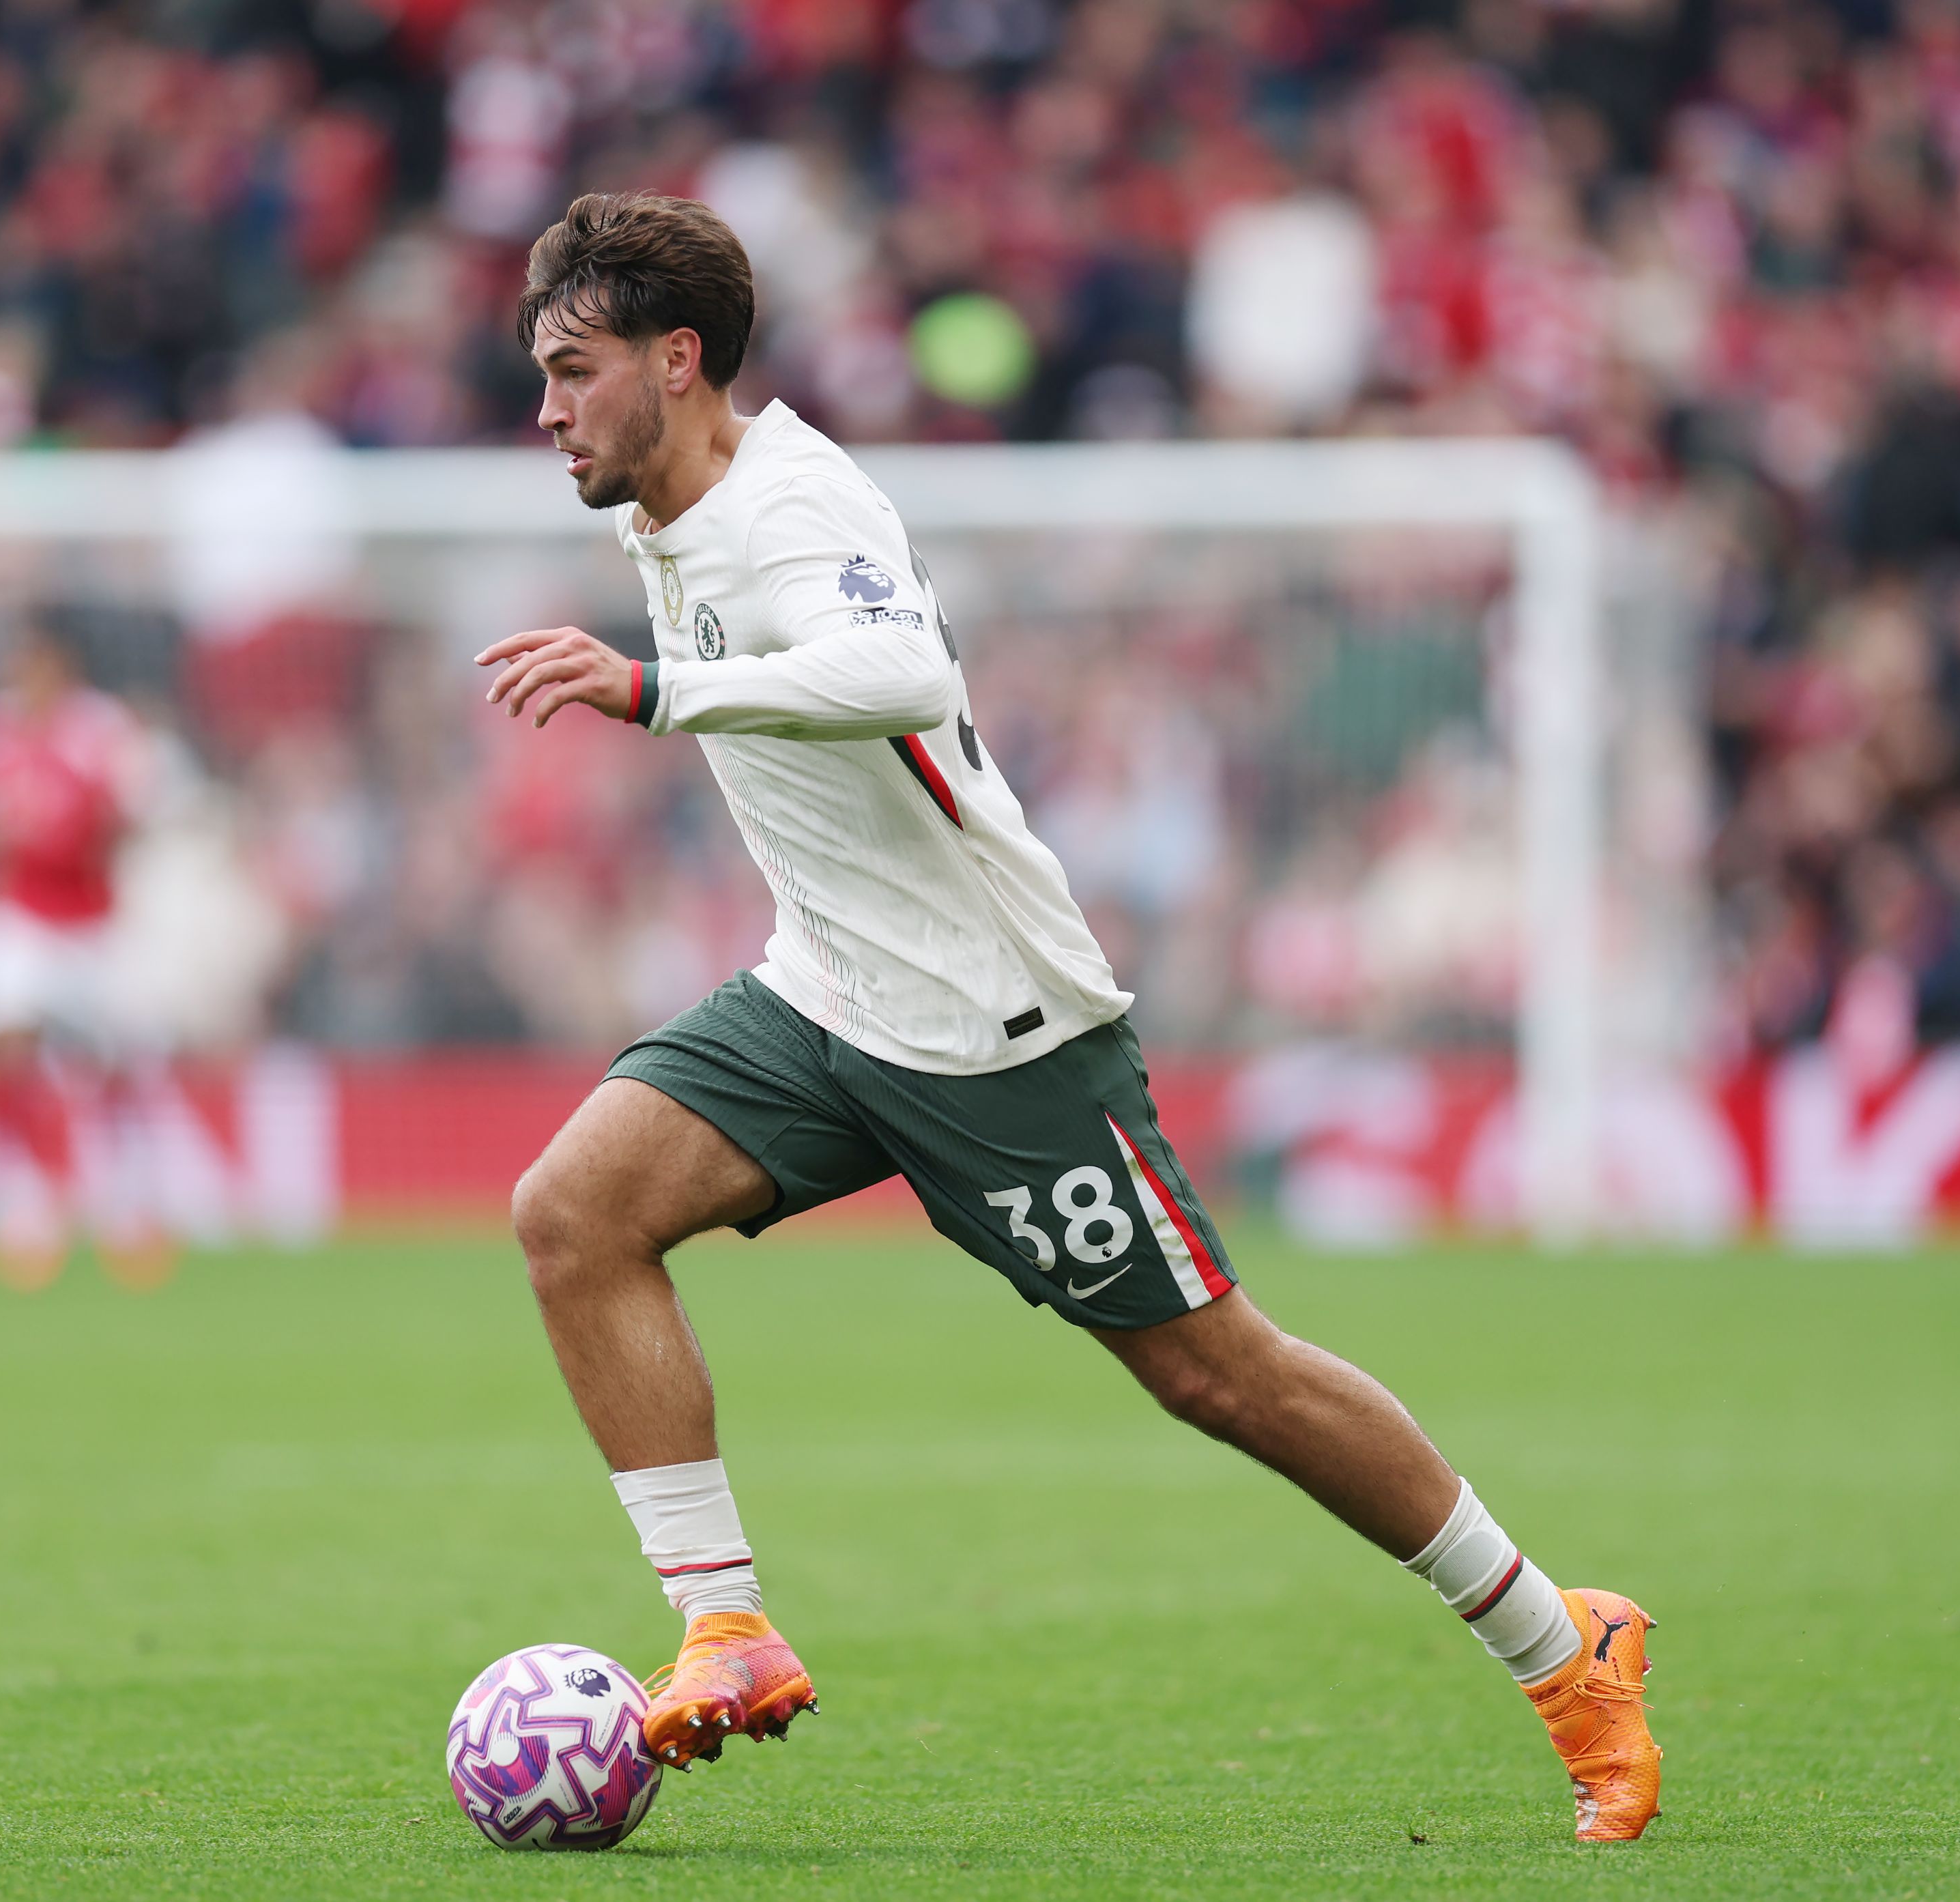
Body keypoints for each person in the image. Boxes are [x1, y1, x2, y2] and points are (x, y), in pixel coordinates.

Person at [478, 194, 1663, 1843]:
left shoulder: (798, 501)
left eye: (573, 370)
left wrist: (655, 689)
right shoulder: (659, 506)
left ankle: (1562, 1643)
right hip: (825, 990)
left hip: (993, 1028)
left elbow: (900, 680)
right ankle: (726, 1625)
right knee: (572, 1216)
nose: (546, 410)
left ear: (678, 364)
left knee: (1219, 1376)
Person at [0, 611, 160, 1288]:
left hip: (89, 923)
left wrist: (53, 831)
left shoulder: (100, 731)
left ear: (61, 665)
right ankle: (23, 1202)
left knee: (109, 1065)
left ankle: (125, 1206)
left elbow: (112, 825)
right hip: (21, 918)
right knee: (2, 1045)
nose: (22, 675)